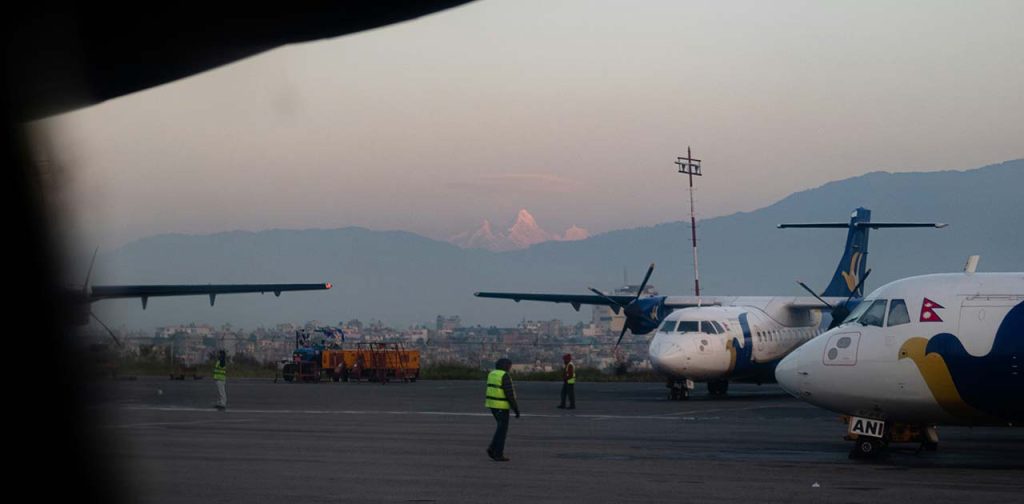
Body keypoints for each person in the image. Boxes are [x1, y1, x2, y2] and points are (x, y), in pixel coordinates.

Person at [485, 358, 520, 461]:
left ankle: (492, 448)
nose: (510, 368)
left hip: (492, 405)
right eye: (509, 366)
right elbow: (509, 394)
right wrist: (516, 409)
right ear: (505, 366)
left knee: (500, 429)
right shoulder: (504, 376)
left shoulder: (492, 374)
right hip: (502, 406)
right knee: (502, 431)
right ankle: (498, 453)